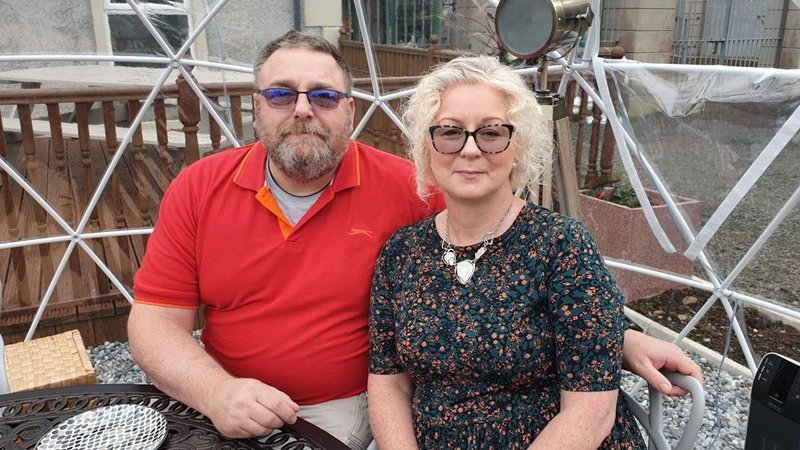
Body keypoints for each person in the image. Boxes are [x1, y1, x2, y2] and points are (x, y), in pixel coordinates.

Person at [128, 30, 700, 449]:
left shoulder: (410, 187)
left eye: (324, 96)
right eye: (281, 94)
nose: (302, 110)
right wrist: (214, 393)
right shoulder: (200, 188)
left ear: (348, 110)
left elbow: (512, 238)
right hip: (227, 397)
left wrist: (613, 338)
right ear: (256, 106)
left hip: (337, 411)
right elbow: (154, 323)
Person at [367, 55, 648, 449]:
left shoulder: (561, 246)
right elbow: (388, 381)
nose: (469, 150)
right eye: (449, 132)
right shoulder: (401, 253)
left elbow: (591, 409)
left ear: (517, 147)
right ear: (427, 147)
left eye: (492, 132)